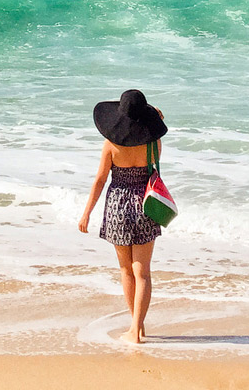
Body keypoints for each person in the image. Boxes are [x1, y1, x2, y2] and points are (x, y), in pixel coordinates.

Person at [78, 89, 167, 344]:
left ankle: (134, 328)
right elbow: (154, 149)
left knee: (126, 271)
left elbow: (100, 180)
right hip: (145, 206)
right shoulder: (154, 143)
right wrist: (156, 121)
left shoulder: (111, 145)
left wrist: (86, 214)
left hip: (117, 205)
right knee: (143, 273)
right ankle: (138, 327)